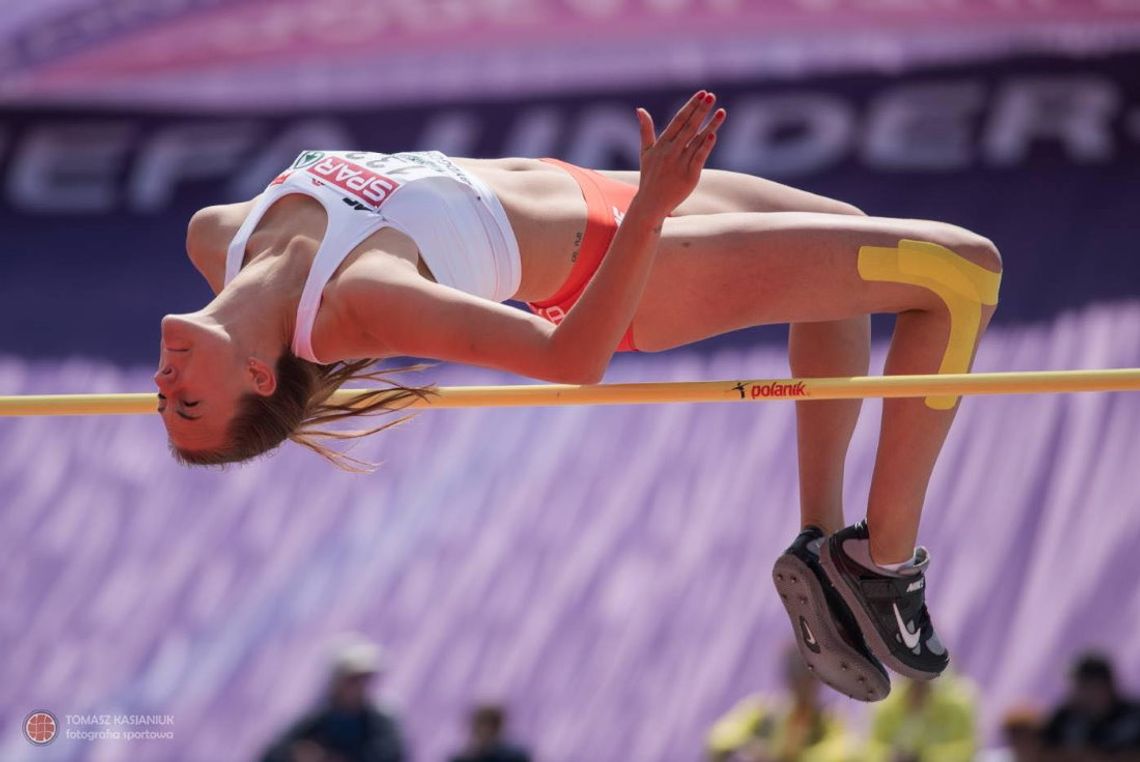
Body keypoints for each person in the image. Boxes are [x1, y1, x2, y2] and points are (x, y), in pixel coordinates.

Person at [158, 91, 1003, 699]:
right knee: (960, 272)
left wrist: (643, 201)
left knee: (844, 243)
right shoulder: (352, 304)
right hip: (626, 266)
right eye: (189, 406)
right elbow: (570, 359)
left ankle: (822, 539)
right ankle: (885, 565)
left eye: (166, 404)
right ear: (259, 377)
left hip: (595, 191)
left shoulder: (217, 238)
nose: (164, 389)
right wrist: (653, 213)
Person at [259, 635, 406, 762]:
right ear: (337, 681)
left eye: (365, 679)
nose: (360, 686)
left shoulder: (379, 721)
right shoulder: (317, 721)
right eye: (353, 679)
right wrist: (297, 754)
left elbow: (392, 755)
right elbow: (272, 754)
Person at [707, 645, 856, 762]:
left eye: (810, 679)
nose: (806, 687)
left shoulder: (827, 720)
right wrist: (745, 750)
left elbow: (839, 754)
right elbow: (719, 738)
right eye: (799, 678)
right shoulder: (762, 711)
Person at [1041, 652, 1140, 759]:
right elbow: (1042, 751)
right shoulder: (1065, 718)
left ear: (1107, 685)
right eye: (1078, 685)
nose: (1080, 692)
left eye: (1087, 684)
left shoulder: (1134, 716)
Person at [863, 673, 977, 762]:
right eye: (914, 680)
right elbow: (872, 747)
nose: (919, 686)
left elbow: (967, 749)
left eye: (925, 681)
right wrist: (890, 756)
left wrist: (924, 757)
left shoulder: (956, 706)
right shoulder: (887, 706)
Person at [448, 704, 531, 762]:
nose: (485, 731)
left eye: (490, 725)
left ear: (497, 727)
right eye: (482, 725)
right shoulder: (463, 759)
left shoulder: (514, 757)